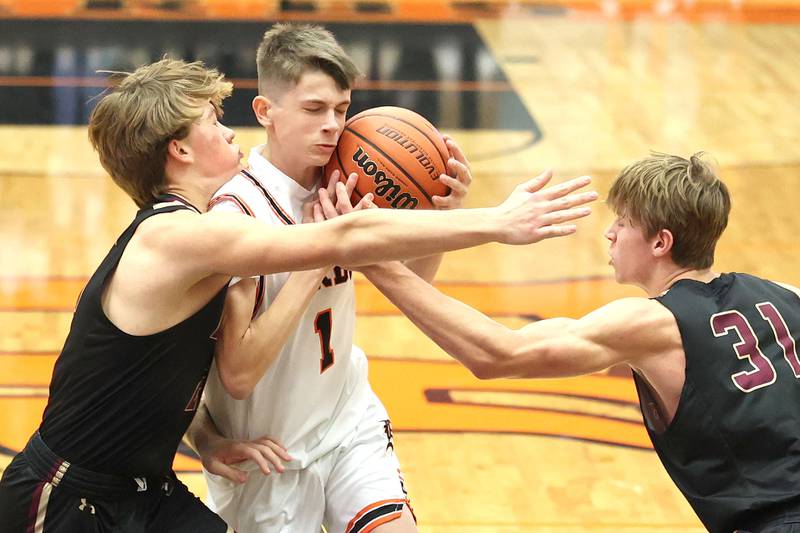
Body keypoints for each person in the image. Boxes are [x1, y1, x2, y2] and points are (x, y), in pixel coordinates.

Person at [0, 57, 596, 533]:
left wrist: (204, 436)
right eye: (212, 119)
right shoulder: (179, 236)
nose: (227, 127)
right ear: (179, 149)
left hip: (146, 489)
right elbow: (344, 236)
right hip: (65, 496)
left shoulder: (195, 231)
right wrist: (499, 222)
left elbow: (151, 376)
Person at [355, 152, 800, 533]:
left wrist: (369, 256)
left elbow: (497, 354)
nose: (610, 233)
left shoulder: (653, 322)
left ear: (661, 242)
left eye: (624, 223)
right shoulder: (786, 296)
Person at [185, 23, 481, 533]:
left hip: (348, 421)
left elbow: (415, 283)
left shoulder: (351, 182)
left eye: (341, 110)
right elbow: (236, 376)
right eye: (313, 109)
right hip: (270, 457)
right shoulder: (236, 215)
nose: (332, 125)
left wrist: (438, 222)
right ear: (265, 112)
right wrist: (321, 251)